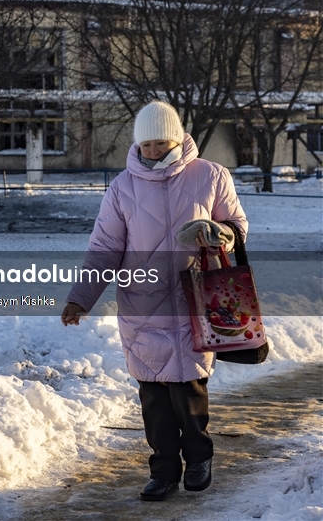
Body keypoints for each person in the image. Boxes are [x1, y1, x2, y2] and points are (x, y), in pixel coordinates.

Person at [61, 101, 247, 502]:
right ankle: (163, 471)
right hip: (142, 305)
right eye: (146, 144)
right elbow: (105, 248)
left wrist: (220, 233)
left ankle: (198, 457)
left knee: (190, 389)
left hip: (197, 299)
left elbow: (236, 226)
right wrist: (81, 298)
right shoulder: (121, 187)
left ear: (177, 138)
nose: (153, 151)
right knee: (154, 398)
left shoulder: (211, 176)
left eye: (161, 142)